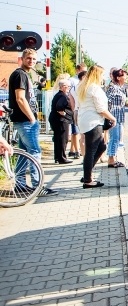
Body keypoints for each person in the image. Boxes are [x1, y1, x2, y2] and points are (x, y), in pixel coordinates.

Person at [8, 48, 57, 196]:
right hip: (25, 121)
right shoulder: (20, 75)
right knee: (35, 152)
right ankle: (37, 187)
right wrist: (32, 118)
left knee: (24, 154)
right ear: (22, 59)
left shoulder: (25, 75)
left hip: (24, 120)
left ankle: (21, 185)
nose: (32, 61)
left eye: (34, 59)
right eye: (29, 58)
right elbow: (20, 98)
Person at [76, 65, 116, 188]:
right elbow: (101, 109)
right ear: (97, 75)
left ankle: (87, 174)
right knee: (91, 151)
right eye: (102, 75)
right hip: (93, 121)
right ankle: (88, 180)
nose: (103, 77)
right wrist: (112, 118)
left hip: (85, 120)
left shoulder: (82, 86)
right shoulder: (94, 88)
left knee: (101, 147)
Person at [48, 78, 74, 164]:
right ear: (63, 87)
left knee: (58, 139)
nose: (69, 88)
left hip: (57, 119)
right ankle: (62, 157)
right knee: (63, 139)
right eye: (68, 87)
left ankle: (58, 157)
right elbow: (59, 107)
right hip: (61, 120)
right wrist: (65, 114)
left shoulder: (59, 95)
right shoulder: (63, 96)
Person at [106, 68, 128, 168]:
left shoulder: (120, 87)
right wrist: (109, 116)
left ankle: (114, 158)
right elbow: (107, 102)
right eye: (124, 76)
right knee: (114, 138)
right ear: (118, 77)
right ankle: (111, 160)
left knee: (117, 138)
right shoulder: (113, 88)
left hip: (119, 116)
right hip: (114, 116)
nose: (126, 77)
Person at [68, 63, 87, 158]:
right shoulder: (72, 81)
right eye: (83, 71)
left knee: (78, 133)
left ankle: (74, 150)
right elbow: (70, 98)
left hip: (78, 111)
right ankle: (78, 152)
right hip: (80, 111)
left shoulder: (77, 85)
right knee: (78, 133)